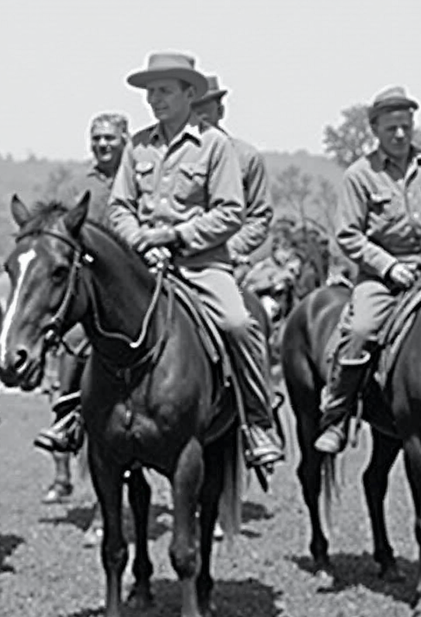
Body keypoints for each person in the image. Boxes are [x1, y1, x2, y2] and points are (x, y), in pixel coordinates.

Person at [109, 51, 285, 470]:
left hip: (201, 265)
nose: (154, 99)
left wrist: (175, 236)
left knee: (238, 324)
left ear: (189, 94)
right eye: (150, 92)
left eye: (164, 91)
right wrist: (140, 241)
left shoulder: (215, 146)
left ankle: (257, 422)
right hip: (143, 265)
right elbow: (119, 208)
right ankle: (76, 416)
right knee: (90, 319)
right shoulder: (137, 146)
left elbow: (230, 212)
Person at [314, 85, 421, 454]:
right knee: (360, 329)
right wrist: (388, 267)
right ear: (375, 130)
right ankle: (338, 414)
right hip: (383, 278)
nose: (400, 134)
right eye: (391, 128)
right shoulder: (360, 175)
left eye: (406, 126)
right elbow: (348, 235)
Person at [38, 113, 129, 503]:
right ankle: (65, 426)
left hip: (131, 285)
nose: (102, 144)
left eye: (110, 138)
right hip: (88, 288)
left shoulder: (140, 178)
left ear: (126, 139)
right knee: (71, 347)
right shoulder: (78, 185)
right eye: (96, 138)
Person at [190, 74, 274, 270]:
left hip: (227, 261)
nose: (198, 119)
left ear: (220, 111)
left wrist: (231, 248)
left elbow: (260, 217)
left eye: (204, 112)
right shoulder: (168, 157)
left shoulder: (246, 158)